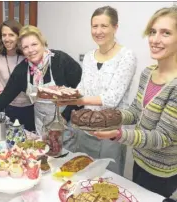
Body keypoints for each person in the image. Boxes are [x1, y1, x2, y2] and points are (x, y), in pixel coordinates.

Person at [91, 6, 177, 198]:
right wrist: (105, 116)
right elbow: (135, 112)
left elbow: (163, 137)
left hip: (162, 172)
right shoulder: (148, 73)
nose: (155, 40)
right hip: (139, 159)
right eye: (153, 32)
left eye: (166, 33)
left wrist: (118, 134)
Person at [59, 6, 137, 176]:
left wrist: (76, 101)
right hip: (85, 128)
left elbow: (111, 99)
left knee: (109, 178)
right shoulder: (89, 56)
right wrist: (65, 94)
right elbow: (82, 88)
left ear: (115, 27)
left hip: (110, 131)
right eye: (94, 26)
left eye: (104, 26)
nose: (98, 31)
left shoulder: (126, 56)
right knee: (85, 173)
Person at [0, 25, 82, 136]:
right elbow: (5, 96)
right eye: (25, 47)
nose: (31, 50)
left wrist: (64, 117)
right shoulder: (22, 70)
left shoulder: (61, 60)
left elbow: (81, 91)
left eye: (34, 44)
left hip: (66, 122)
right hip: (42, 125)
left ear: (42, 43)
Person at [0, 20, 34, 131]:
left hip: (30, 106)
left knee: (29, 142)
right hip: (7, 107)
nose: (7, 39)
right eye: (4, 35)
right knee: (9, 141)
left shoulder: (27, 56)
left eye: (11, 35)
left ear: (19, 37)